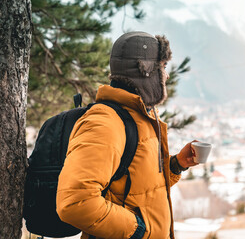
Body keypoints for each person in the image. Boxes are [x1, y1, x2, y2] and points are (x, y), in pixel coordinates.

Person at [56, 31, 198, 239]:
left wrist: (177, 164)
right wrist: (139, 230)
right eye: (163, 67)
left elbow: (138, 190)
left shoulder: (141, 118)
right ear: (146, 71)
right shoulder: (105, 123)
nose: (166, 76)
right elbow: (75, 202)